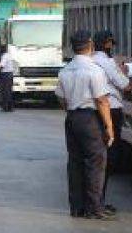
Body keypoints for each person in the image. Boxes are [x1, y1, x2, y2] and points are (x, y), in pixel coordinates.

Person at [55, 30, 115, 220]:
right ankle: (94, 208)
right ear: (90, 45)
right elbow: (102, 101)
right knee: (95, 163)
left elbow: (61, 98)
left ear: (73, 47)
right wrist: (109, 127)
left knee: (75, 163)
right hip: (90, 118)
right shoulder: (93, 70)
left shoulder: (65, 70)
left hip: (72, 118)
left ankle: (77, 208)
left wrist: (72, 112)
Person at [92, 30, 131, 213]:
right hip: (111, 109)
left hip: (92, 111)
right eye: (111, 44)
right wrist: (124, 73)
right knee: (109, 157)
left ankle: (94, 200)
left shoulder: (90, 60)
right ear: (107, 44)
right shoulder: (106, 62)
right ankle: (99, 201)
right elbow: (125, 84)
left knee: (96, 155)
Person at [0, 44, 15, 112]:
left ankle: (5, 107)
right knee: (9, 91)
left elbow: (1, 66)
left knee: (5, 91)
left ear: (2, 50)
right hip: (10, 74)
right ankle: (10, 107)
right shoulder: (9, 55)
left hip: (5, 75)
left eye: (0, 49)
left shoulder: (4, 56)